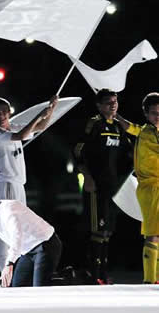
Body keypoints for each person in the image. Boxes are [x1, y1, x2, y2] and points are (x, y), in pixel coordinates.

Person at [73, 89, 134, 285]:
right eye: (108, 102)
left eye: (115, 102)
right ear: (99, 105)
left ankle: (103, 272)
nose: (113, 105)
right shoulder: (94, 123)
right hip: (95, 185)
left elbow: (130, 152)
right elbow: (78, 151)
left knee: (107, 230)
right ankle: (93, 273)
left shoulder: (118, 126)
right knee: (96, 230)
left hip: (112, 186)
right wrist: (86, 176)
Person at [114, 92, 159, 284]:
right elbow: (129, 127)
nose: (158, 116)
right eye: (154, 113)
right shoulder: (144, 132)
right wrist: (116, 116)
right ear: (146, 114)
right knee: (153, 233)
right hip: (150, 188)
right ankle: (150, 280)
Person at [0, 95, 58, 206]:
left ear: (10, 112)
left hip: (19, 185)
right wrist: (39, 116)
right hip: (8, 184)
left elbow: (41, 127)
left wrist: (52, 106)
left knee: (20, 221)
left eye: (4, 111)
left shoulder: (13, 127)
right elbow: (21, 136)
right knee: (11, 222)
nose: (1, 115)